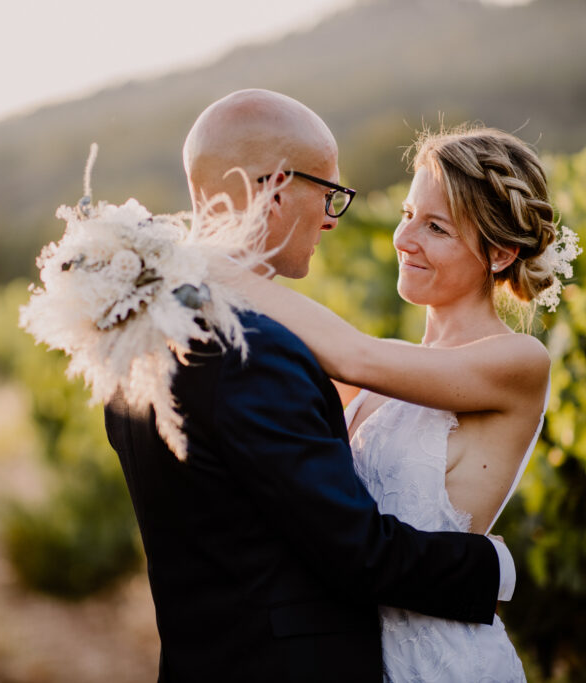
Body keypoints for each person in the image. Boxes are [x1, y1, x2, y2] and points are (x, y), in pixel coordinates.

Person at [103, 89, 515, 682]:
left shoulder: (140, 334)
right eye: (329, 194)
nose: (330, 217)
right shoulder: (251, 353)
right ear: (273, 188)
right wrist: (494, 569)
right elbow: (357, 553)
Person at [228, 127, 566, 681]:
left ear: (500, 252)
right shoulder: (392, 368)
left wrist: (215, 269)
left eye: (436, 227)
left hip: (443, 664)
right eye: (408, 213)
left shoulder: (518, 362)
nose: (404, 238)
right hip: (353, 657)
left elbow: (350, 355)